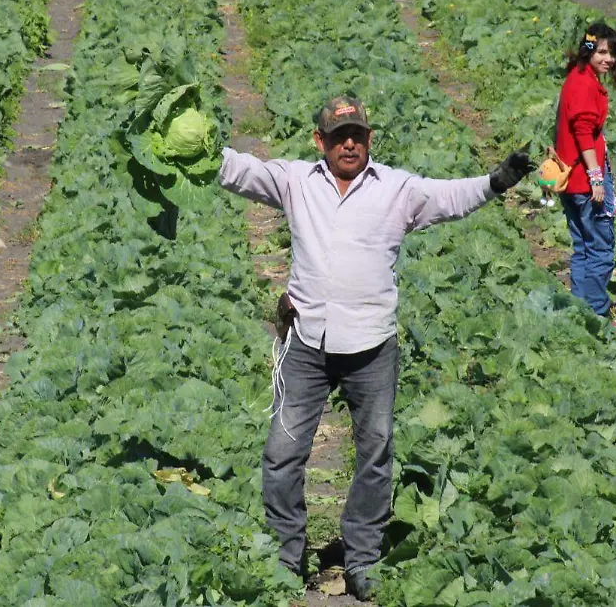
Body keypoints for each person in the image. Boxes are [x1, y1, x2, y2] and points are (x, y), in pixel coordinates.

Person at [217, 95, 534, 600]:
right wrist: (193, 141)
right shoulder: (298, 181)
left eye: (358, 134)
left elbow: (449, 197)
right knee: (282, 451)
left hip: (370, 345)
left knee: (375, 451)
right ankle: (286, 554)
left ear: (369, 139)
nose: (349, 143)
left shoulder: (395, 189)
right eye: (339, 135)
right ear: (319, 141)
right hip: (306, 341)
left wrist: (496, 182)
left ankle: (361, 558)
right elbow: (240, 171)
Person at [550, 22, 616, 316]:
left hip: (570, 180)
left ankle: (580, 313)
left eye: (613, 54)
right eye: (603, 52)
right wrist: (597, 178)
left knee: (582, 247)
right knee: (600, 251)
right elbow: (583, 130)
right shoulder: (583, 83)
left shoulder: (577, 77)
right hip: (584, 180)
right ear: (589, 50)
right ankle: (596, 313)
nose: (609, 59)